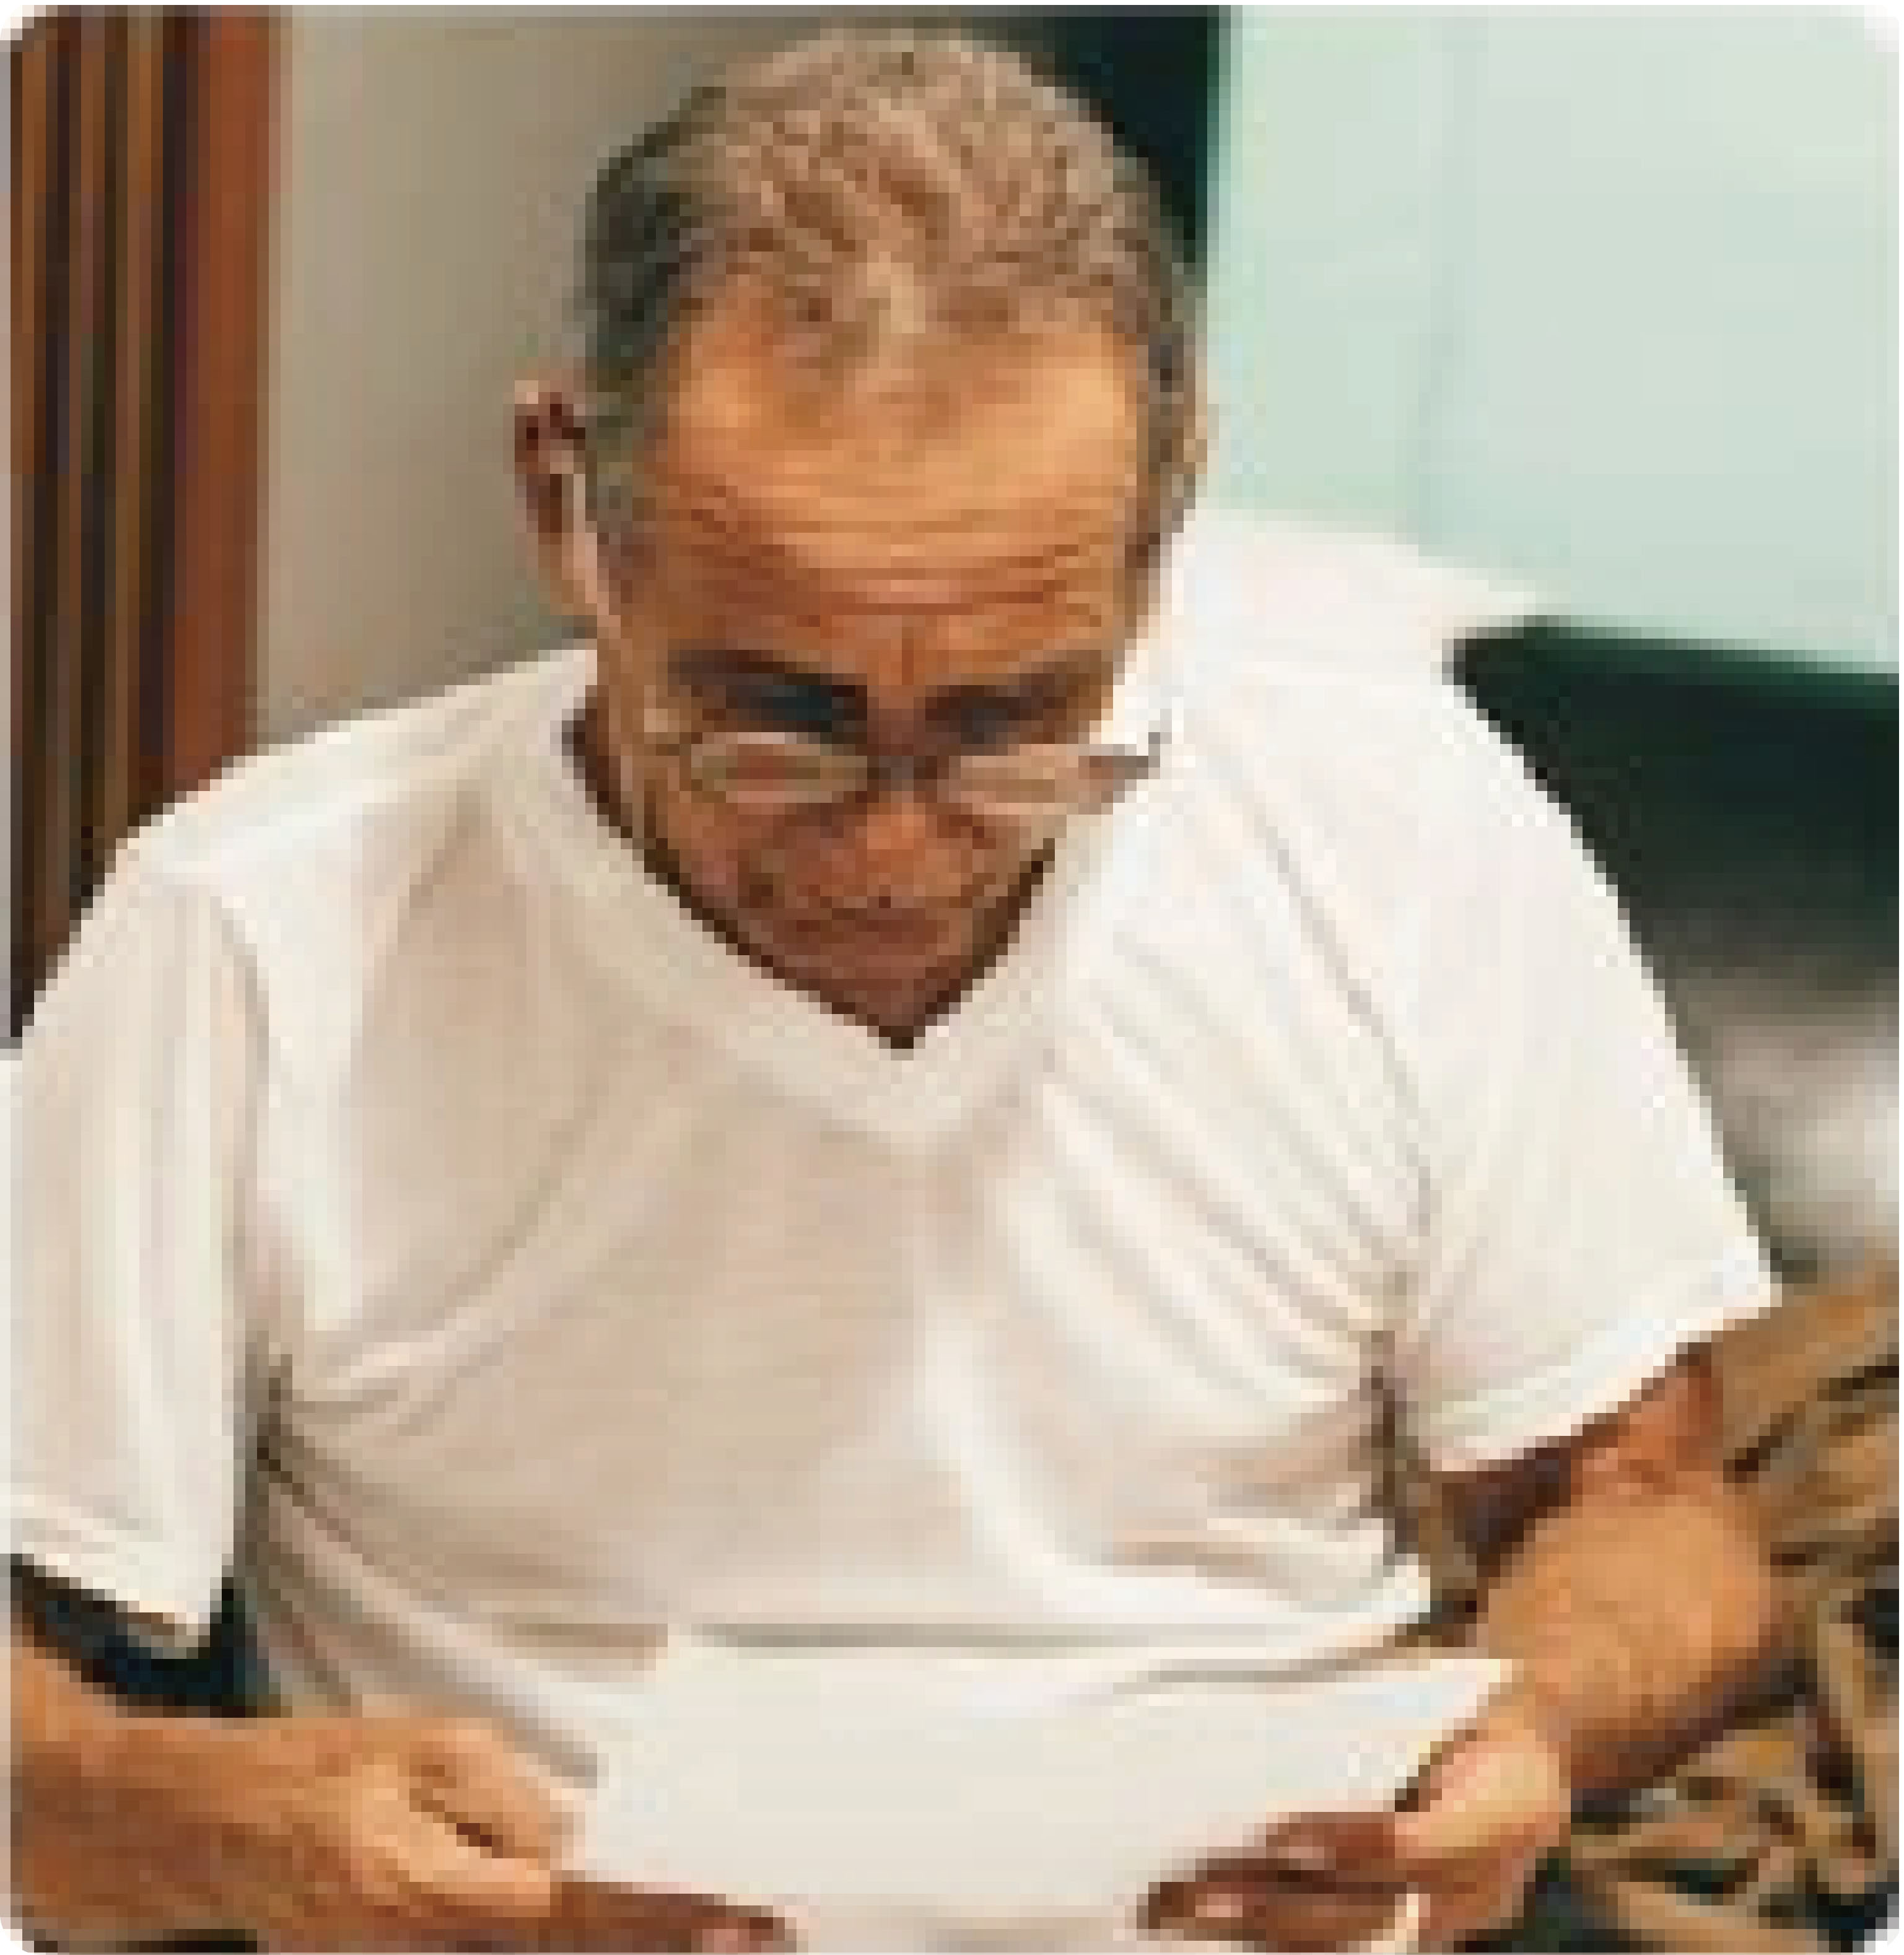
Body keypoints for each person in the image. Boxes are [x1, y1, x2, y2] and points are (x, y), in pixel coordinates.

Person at [12, 30, 1784, 1953]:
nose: (892, 851)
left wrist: (1530, 1729)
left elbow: (1642, 1507)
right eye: (773, 726)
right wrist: (198, 1816)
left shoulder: (1402, 835)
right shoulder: (257, 930)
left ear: (1165, 516)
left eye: (1017, 727)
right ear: (564, 503)